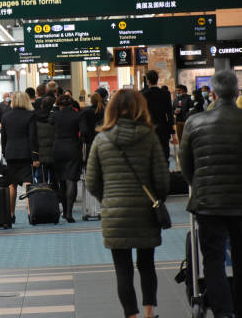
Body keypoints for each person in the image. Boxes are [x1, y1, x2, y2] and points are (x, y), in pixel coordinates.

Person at [180, 70, 242, 318]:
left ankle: (222, 312)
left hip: (208, 204)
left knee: (213, 260)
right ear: (237, 91)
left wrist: (198, 186)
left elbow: (186, 164)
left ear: (214, 93)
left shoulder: (194, 123)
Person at [86, 89, 169, 318]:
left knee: (122, 270)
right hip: (145, 212)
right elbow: (162, 179)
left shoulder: (101, 139)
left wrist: (109, 198)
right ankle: (149, 313)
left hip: (115, 213)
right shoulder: (149, 136)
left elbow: (92, 181)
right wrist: (156, 197)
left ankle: (131, 316)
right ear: (139, 108)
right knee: (146, 264)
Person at [1, 91, 39, 224]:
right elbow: (33, 137)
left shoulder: (6, 116)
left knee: (12, 186)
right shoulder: (30, 115)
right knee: (28, 184)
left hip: (11, 153)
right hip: (26, 153)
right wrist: (35, 156)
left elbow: (3, 138)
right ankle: (30, 213)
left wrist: (5, 153)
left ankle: (11, 214)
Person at [49, 95, 85, 222]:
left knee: (62, 180)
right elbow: (83, 132)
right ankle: (69, 212)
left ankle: (64, 211)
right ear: (72, 104)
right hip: (73, 148)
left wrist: (54, 107)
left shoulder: (56, 115)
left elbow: (49, 121)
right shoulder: (77, 116)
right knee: (72, 180)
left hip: (58, 148)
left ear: (59, 104)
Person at [141, 70, 174, 160]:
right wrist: (172, 132)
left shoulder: (143, 95)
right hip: (163, 128)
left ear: (147, 80)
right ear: (157, 80)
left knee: (151, 155)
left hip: (148, 128)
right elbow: (169, 113)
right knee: (164, 154)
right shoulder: (166, 94)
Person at [36, 97, 56, 188]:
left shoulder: (36, 118)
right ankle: (55, 194)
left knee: (41, 177)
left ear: (42, 106)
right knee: (54, 176)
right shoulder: (55, 117)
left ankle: (42, 195)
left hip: (41, 152)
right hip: (53, 151)